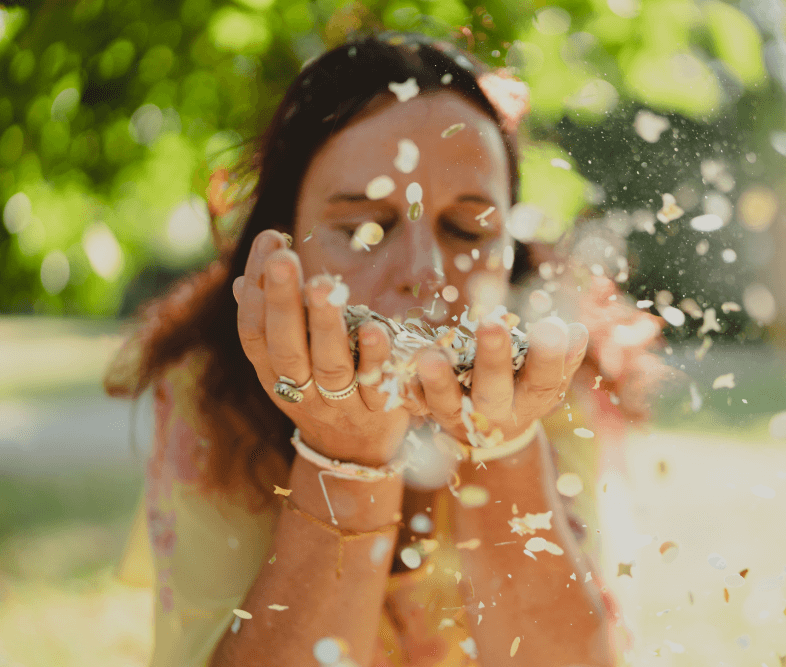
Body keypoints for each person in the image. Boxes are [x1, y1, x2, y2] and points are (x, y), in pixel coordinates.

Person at [108, 31, 669, 667]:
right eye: (365, 228)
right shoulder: (211, 396)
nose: (426, 274)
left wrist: (504, 451)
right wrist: (342, 461)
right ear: (285, 239)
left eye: (465, 229)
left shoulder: (558, 378)